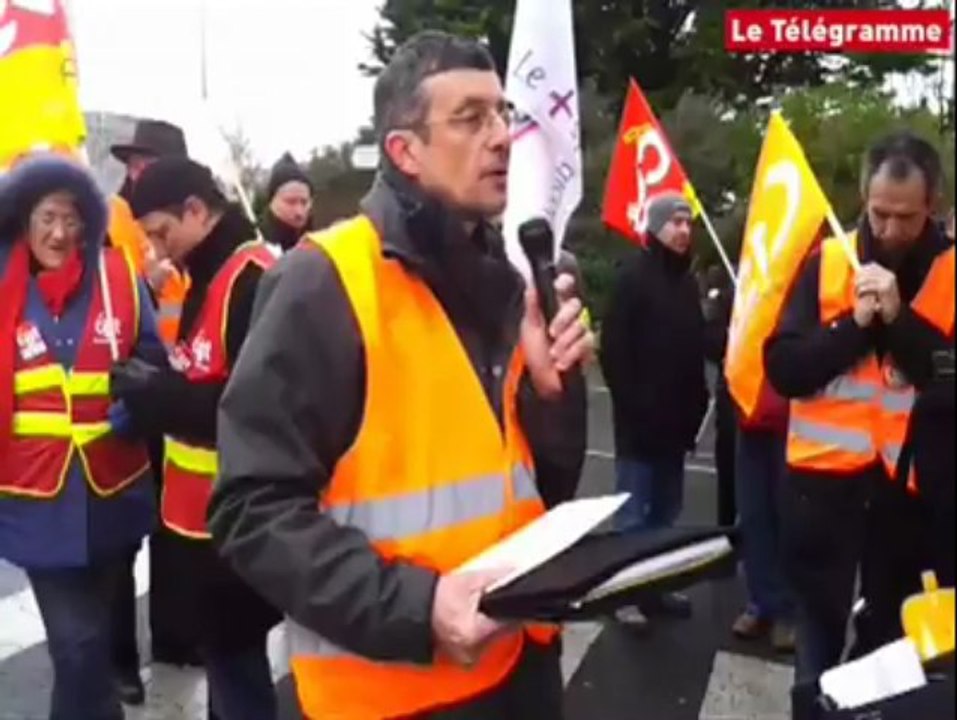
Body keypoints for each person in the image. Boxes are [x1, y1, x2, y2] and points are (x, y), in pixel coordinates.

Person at [208, 31, 592, 720]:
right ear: (403, 151)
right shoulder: (322, 281)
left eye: (502, 112)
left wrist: (551, 395)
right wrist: (421, 609)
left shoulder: (505, 281)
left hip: (519, 671)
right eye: (470, 118)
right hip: (387, 696)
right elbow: (251, 509)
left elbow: (537, 484)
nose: (502, 136)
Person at [765, 131, 954, 683]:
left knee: (892, 672)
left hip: (915, 516)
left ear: (932, 208)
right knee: (816, 661)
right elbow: (784, 369)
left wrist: (900, 322)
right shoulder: (827, 262)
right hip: (821, 502)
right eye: (878, 215)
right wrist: (855, 326)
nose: (890, 231)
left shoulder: (951, 272)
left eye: (906, 218)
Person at [109, 157, 281, 720]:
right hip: (197, 523)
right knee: (224, 672)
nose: (158, 249)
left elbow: (257, 411)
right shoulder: (203, 276)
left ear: (198, 211)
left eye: (161, 232)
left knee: (239, 679)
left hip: (238, 523)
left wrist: (160, 396)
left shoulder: (250, 279)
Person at [0, 153, 165, 720]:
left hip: (113, 494)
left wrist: (136, 407)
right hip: (34, 502)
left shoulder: (118, 277)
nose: (59, 232)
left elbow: (153, 362)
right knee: (78, 645)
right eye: (47, 216)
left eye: (71, 218)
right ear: (24, 219)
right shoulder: (2, 284)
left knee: (89, 647)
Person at [106, 116, 196, 701]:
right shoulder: (111, 215)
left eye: (147, 162)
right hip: (129, 388)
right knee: (120, 531)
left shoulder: (192, 223)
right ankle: (117, 660)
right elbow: (105, 281)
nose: (136, 172)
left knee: (173, 525)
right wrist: (149, 278)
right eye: (133, 163)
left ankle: (172, 635)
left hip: (178, 390)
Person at [599, 192, 709, 627]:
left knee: (665, 515)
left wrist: (696, 404)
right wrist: (635, 407)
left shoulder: (686, 284)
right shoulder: (632, 278)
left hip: (675, 429)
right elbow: (614, 353)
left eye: (687, 223)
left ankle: (656, 589)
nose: (683, 230)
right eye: (675, 222)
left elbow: (693, 347)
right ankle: (625, 593)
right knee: (633, 517)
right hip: (639, 428)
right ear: (655, 227)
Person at [702, 264, 737, 528]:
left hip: (774, 414)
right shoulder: (729, 294)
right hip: (732, 411)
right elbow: (711, 343)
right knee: (729, 485)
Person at [260, 152, 314, 252]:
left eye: (304, 202)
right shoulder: (256, 248)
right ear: (272, 201)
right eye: (290, 202)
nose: (299, 212)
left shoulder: (318, 242)